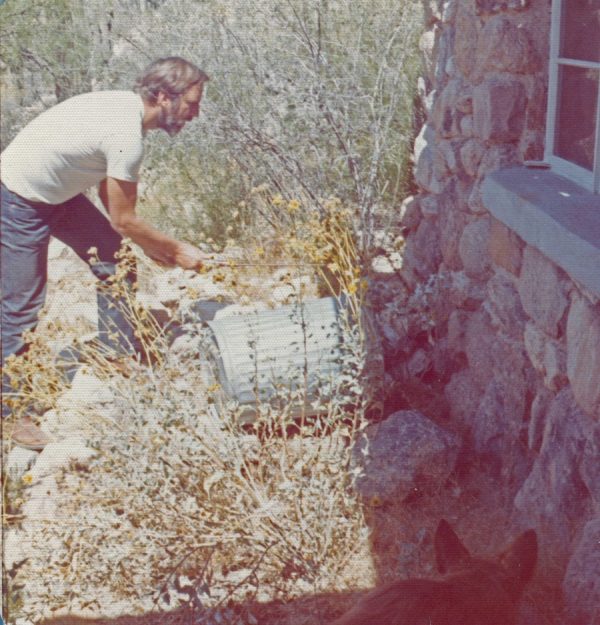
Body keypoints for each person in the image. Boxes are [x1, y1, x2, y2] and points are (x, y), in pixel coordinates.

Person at [1, 57, 210, 450]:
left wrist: (150, 246)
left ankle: (116, 353)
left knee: (116, 257)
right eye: (192, 103)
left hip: (57, 192)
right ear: (164, 96)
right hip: (17, 197)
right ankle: (11, 414)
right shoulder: (125, 134)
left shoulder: (124, 112)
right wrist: (176, 250)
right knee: (21, 305)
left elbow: (110, 199)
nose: (195, 114)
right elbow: (124, 219)